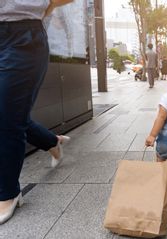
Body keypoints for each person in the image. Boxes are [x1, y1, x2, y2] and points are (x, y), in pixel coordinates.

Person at [0, 0, 73, 225]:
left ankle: (8, 193)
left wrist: (45, 5)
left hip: (22, 35)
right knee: (9, 113)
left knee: (7, 116)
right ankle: (52, 141)